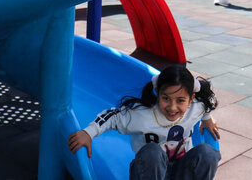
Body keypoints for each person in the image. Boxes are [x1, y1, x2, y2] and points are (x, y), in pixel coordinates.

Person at [68, 65, 220, 180]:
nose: (172, 107)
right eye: (165, 98)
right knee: (152, 151)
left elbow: (207, 101)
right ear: (157, 92)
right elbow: (113, 116)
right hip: (149, 171)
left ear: (191, 98)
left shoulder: (196, 106)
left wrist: (207, 119)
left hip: (180, 170)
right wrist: (89, 132)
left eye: (180, 100)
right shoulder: (141, 114)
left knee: (207, 153)